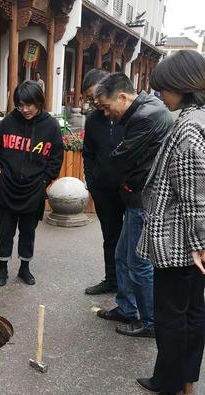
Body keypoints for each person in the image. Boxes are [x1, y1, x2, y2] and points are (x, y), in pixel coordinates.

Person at [136, 50, 205, 395]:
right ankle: (186, 378)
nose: (160, 96)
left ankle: (169, 382)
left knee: (172, 315)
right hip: (188, 242)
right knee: (193, 310)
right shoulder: (201, 120)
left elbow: (194, 196)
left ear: (183, 86)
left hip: (177, 242)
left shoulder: (189, 128)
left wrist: (198, 244)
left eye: (164, 89)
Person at [94, 73, 173, 338]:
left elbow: (120, 157)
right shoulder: (143, 111)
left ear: (123, 97)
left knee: (139, 263)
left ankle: (150, 321)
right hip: (134, 197)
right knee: (122, 256)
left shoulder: (146, 116)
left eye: (107, 107)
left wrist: (113, 168)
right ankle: (126, 308)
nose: (107, 114)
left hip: (143, 199)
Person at [0, 81, 63, 286]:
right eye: (20, 105)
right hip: (7, 188)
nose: (25, 110)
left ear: (39, 102)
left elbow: (56, 157)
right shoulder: (9, 122)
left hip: (33, 190)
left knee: (28, 233)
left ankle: (24, 268)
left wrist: (44, 180)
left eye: (29, 104)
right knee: (5, 232)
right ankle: (2, 269)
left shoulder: (51, 126)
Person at [82, 69, 125, 295]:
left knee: (133, 241)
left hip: (130, 191)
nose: (95, 102)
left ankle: (131, 288)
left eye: (97, 95)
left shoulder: (128, 115)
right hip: (103, 190)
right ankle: (112, 280)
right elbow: (88, 153)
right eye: (90, 98)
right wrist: (91, 181)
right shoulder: (93, 120)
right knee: (110, 237)